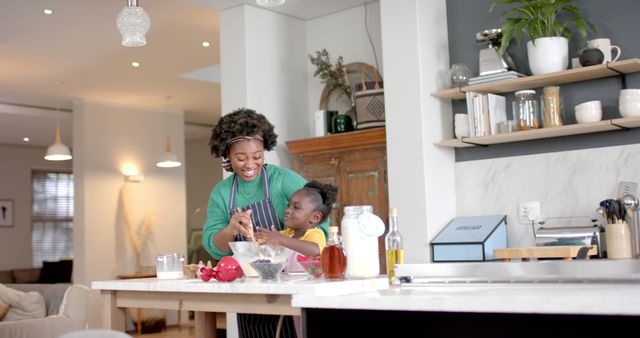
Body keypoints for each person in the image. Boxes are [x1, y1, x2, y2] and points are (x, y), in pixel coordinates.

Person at [202, 108, 329, 338]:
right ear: (227, 155)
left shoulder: (283, 180)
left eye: (257, 156)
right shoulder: (221, 193)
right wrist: (231, 228)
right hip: (250, 289)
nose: (250, 164)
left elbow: (320, 222)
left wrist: (284, 239)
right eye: (241, 158)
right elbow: (212, 246)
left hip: (290, 285)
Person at [256, 180, 338, 258]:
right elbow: (269, 239)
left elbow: (316, 250)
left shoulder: (315, 233)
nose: (287, 210)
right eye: (288, 205)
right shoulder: (288, 233)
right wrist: (255, 236)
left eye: (296, 207)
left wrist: (280, 239)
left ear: (315, 217)